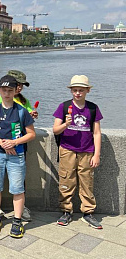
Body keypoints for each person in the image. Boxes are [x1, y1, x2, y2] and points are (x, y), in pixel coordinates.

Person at [0, 75, 35, 238]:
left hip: (17, 155)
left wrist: (14, 142)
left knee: (17, 189)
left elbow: (31, 134)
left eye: (10, 90)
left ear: (15, 91)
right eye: (4, 90)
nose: (7, 94)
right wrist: (3, 143)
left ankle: (17, 220)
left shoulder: (22, 111)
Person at [53, 75, 103, 229]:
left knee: (87, 182)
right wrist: (65, 124)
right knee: (66, 180)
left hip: (87, 151)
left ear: (88, 90)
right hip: (67, 149)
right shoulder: (63, 106)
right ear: (71, 91)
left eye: (81, 90)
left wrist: (96, 154)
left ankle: (88, 212)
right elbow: (55, 130)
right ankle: (66, 211)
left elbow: (97, 133)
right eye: (75, 90)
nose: (78, 93)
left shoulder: (93, 108)